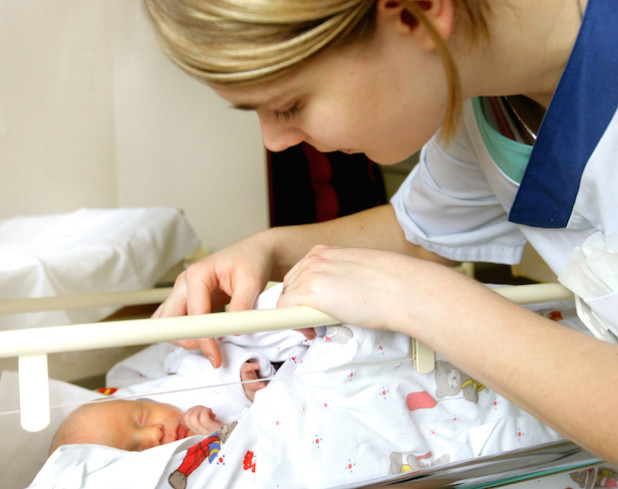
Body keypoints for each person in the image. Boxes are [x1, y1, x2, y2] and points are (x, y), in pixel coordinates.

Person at [143, 0, 618, 466]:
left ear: (417, 11)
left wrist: (419, 300)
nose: (275, 141)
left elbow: (416, 274)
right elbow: (420, 234)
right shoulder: (483, 103)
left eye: (290, 105)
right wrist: (266, 248)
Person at [48, 399, 235, 455]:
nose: (154, 434)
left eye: (141, 418)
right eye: (136, 451)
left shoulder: (183, 386)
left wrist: (241, 377)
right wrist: (224, 438)